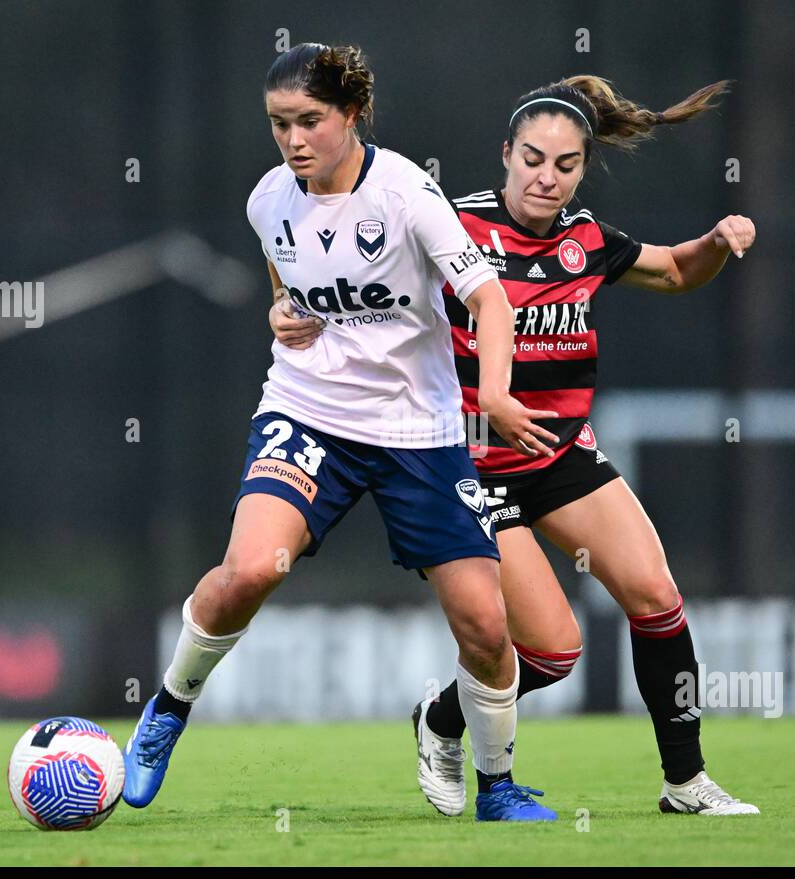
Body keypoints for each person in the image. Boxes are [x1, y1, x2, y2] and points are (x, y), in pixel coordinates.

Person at [271, 74, 760, 817]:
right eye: (532, 158)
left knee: (658, 598)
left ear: (581, 170)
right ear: (506, 153)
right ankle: (442, 717)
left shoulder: (587, 240)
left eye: (565, 165)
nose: (546, 177)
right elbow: (351, 283)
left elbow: (679, 269)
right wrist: (287, 308)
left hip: (560, 457)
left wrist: (717, 243)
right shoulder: (450, 226)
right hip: (465, 466)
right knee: (555, 653)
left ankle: (685, 784)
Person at [121, 43, 565, 822]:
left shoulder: (406, 194)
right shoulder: (269, 199)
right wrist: (278, 312)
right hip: (308, 414)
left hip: (419, 432)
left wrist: (491, 390)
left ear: (351, 115)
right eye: (278, 124)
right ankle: (167, 710)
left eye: (310, 122)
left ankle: (496, 786)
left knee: (489, 628)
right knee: (252, 571)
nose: (293, 141)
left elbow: (490, 302)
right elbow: (284, 277)